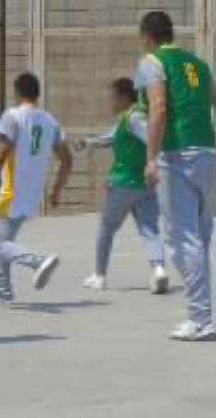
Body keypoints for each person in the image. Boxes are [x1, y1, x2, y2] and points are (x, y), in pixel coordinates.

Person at [136, 11, 216, 341]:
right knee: (201, 237)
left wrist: (151, 157)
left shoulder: (152, 62)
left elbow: (159, 107)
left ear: (147, 37)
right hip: (205, 153)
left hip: (175, 155)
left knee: (182, 241)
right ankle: (201, 313)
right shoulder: (197, 64)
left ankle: (200, 318)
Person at [0, 72, 72, 305]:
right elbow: (67, 159)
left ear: (17, 92)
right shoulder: (51, 121)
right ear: (37, 93)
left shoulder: (12, 117)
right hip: (33, 192)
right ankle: (3, 291)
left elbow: (1, 153)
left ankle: (38, 261)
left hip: (12, 190)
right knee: (4, 239)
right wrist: (57, 189)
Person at [77, 77, 168, 294]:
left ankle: (99, 276)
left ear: (124, 97)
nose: (110, 101)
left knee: (107, 229)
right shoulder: (127, 119)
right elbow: (110, 138)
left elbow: (152, 138)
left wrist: (154, 162)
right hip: (144, 186)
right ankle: (158, 270)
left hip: (123, 184)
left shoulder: (134, 118)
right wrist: (88, 142)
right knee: (150, 231)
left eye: (113, 97)